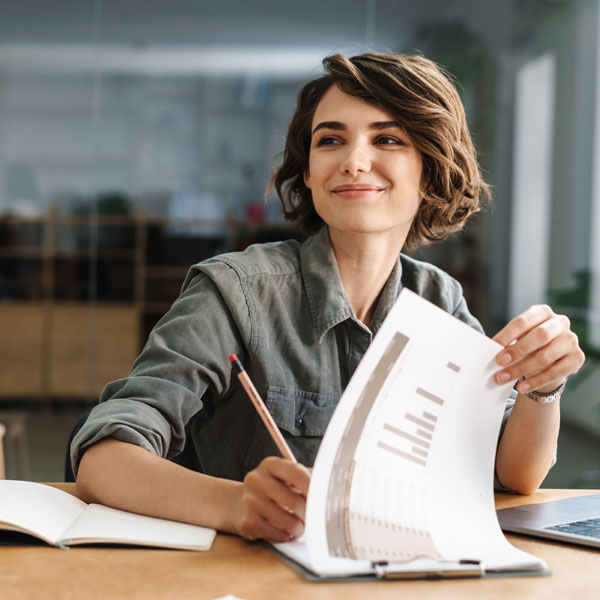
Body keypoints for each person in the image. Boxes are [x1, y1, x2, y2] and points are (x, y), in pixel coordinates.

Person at [73, 52, 585, 544]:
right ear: (310, 171)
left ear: (430, 168)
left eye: (386, 139)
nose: (354, 162)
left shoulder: (438, 298)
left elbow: (512, 475)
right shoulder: (233, 291)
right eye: (331, 140)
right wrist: (234, 505)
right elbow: (103, 459)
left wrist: (543, 386)